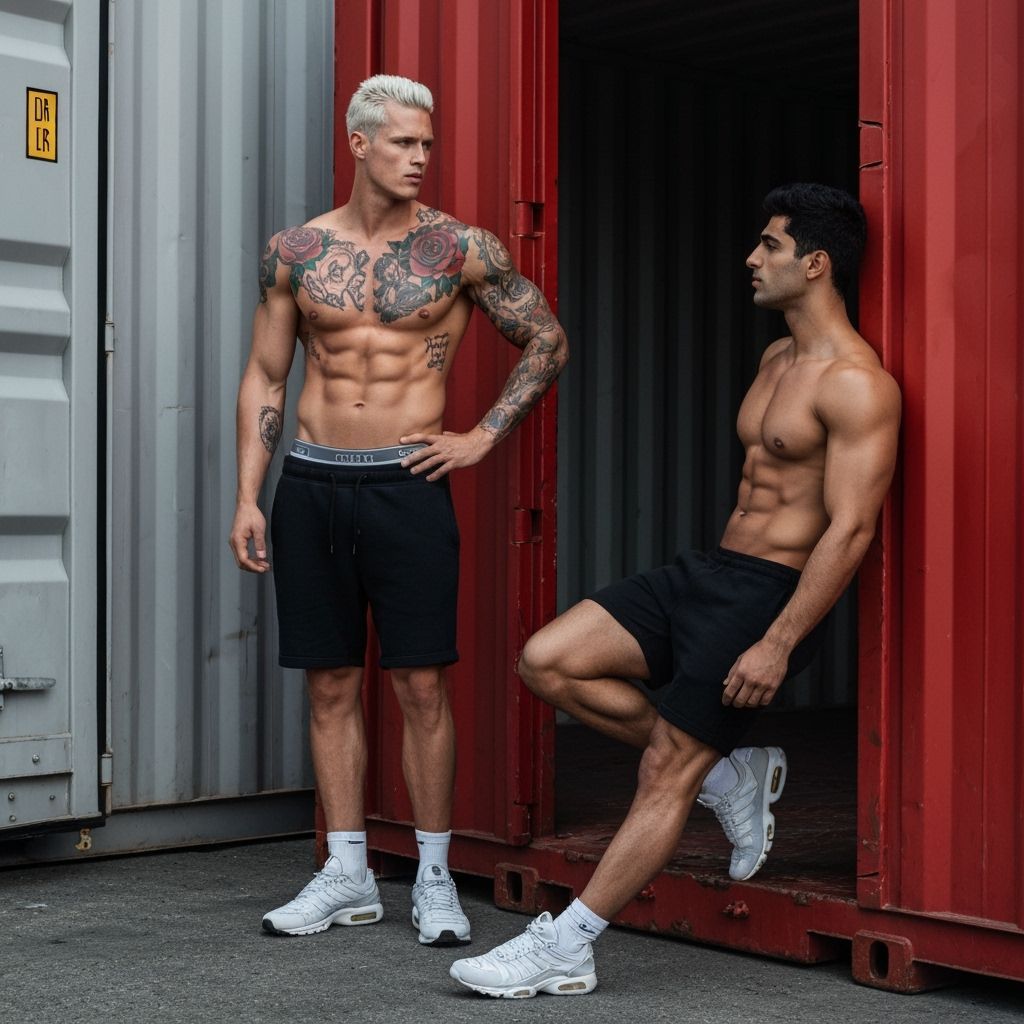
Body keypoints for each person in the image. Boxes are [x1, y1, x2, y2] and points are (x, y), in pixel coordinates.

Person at [449, 182, 901, 996]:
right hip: (710, 570)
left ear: (818, 263)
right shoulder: (775, 359)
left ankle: (570, 943)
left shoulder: (857, 383)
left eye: (769, 245)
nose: (752, 259)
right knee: (549, 661)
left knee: (666, 766)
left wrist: (779, 641)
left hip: (766, 596)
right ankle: (732, 775)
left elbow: (851, 531)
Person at [227, 74, 570, 946]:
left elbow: (546, 339)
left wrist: (482, 436)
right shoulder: (295, 252)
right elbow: (268, 375)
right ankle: (345, 874)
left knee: (421, 684)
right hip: (309, 484)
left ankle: (431, 878)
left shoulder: (460, 249)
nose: (421, 158)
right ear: (359, 145)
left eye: (427, 144)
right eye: (405, 143)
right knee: (331, 684)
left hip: (405, 486)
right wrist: (248, 496)